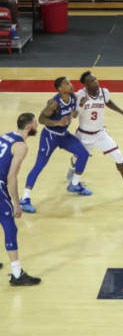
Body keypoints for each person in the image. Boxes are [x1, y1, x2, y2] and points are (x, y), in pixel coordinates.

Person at [20, 77, 92, 213]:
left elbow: (74, 115)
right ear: (59, 89)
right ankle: (25, 199)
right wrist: (58, 122)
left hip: (63, 136)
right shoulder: (53, 103)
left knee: (83, 154)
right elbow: (41, 119)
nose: (70, 85)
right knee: (39, 166)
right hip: (50, 137)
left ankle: (75, 184)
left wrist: (80, 107)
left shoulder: (73, 97)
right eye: (66, 83)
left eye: (69, 82)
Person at [67, 71, 123, 197]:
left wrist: (122, 112)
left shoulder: (103, 92)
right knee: (77, 158)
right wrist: (80, 105)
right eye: (91, 81)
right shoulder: (80, 95)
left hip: (100, 134)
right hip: (84, 135)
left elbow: (108, 102)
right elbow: (73, 116)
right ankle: (71, 169)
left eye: (96, 79)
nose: (96, 82)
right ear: (85, 84)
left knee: (118, 156)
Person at [1, 113, 42, 286]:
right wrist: (16, 204)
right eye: (35, 123)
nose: (37, 125)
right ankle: (17, 274)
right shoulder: (20, 146)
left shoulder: (6, 136)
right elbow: (12, 177)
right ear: (28, 127)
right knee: (10, 225)